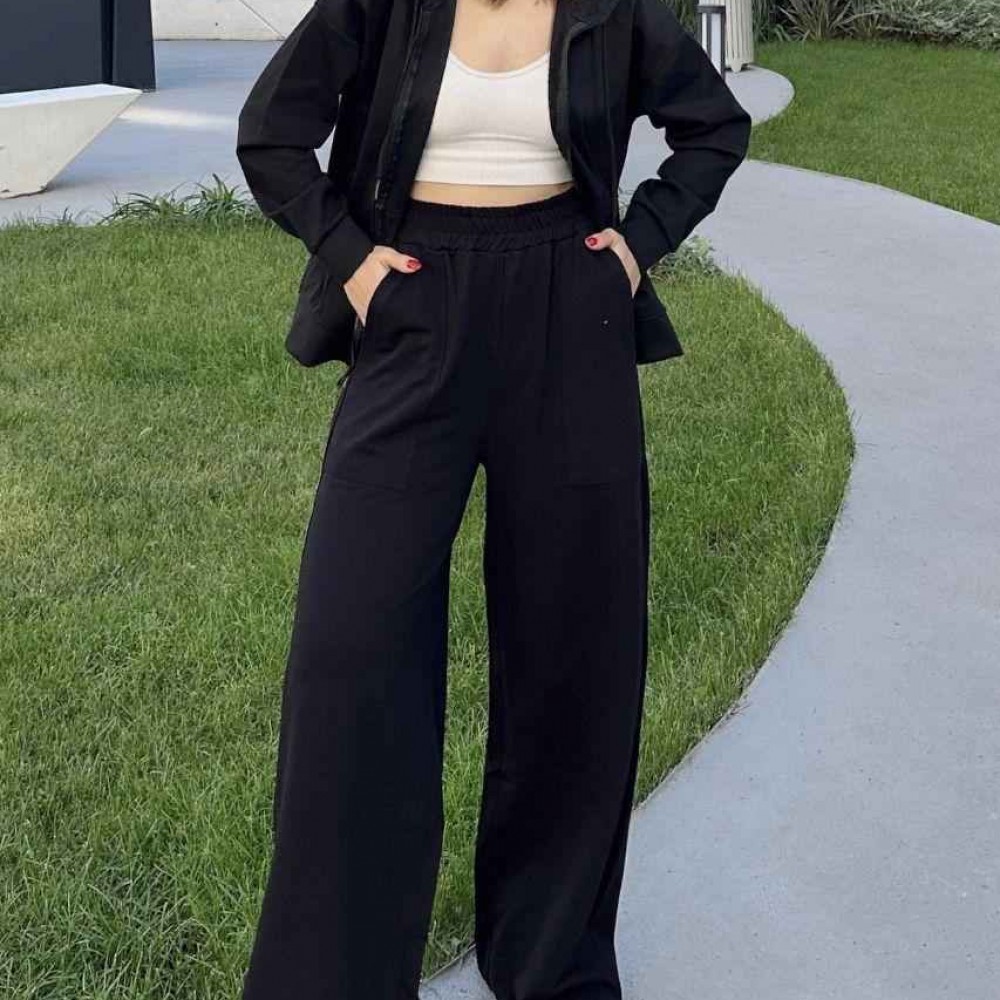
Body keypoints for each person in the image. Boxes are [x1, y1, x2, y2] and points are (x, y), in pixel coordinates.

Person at [234, 0, 751, 996]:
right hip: (413, 305)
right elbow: (271, 134)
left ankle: (550, 963)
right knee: (352, 648)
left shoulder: (612, 9)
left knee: (574, 654)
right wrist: (352, 263)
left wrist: (638, 242)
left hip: (572, 309)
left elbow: (713, 127)